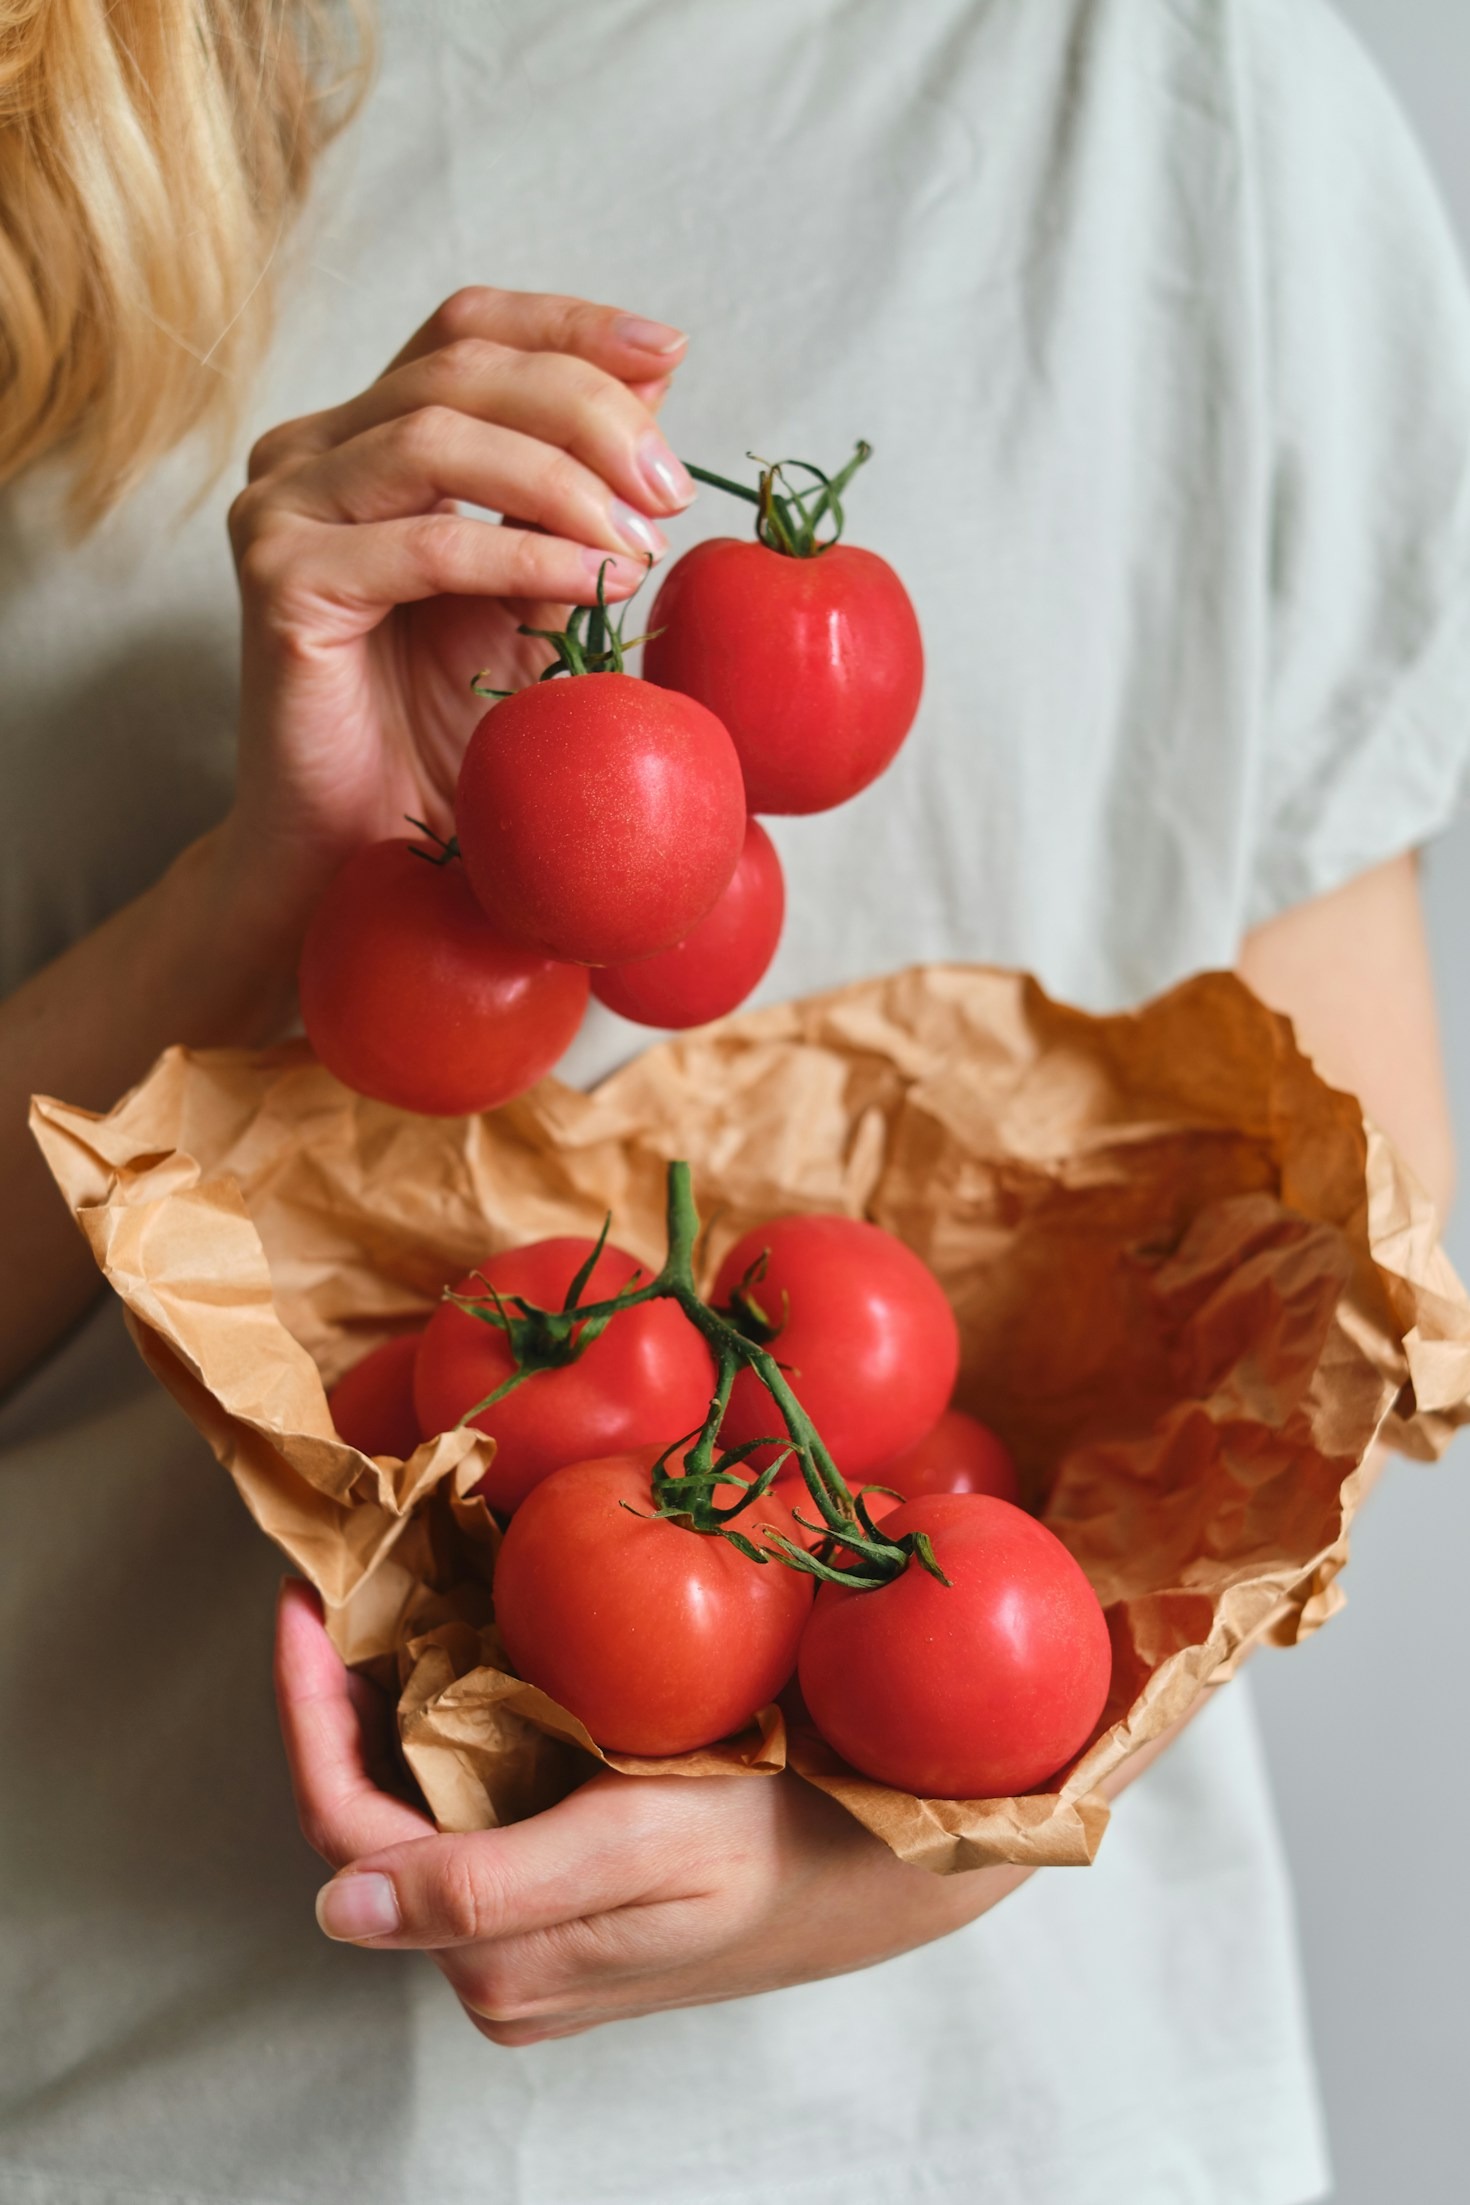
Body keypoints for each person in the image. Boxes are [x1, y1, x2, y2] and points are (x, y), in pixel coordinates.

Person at [2, 2, 1466, 2199]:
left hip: (1017, 2128)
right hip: (145, 2095)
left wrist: (925, 1839)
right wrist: (261, 889)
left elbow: (1355, 1292)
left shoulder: (1192, 100)